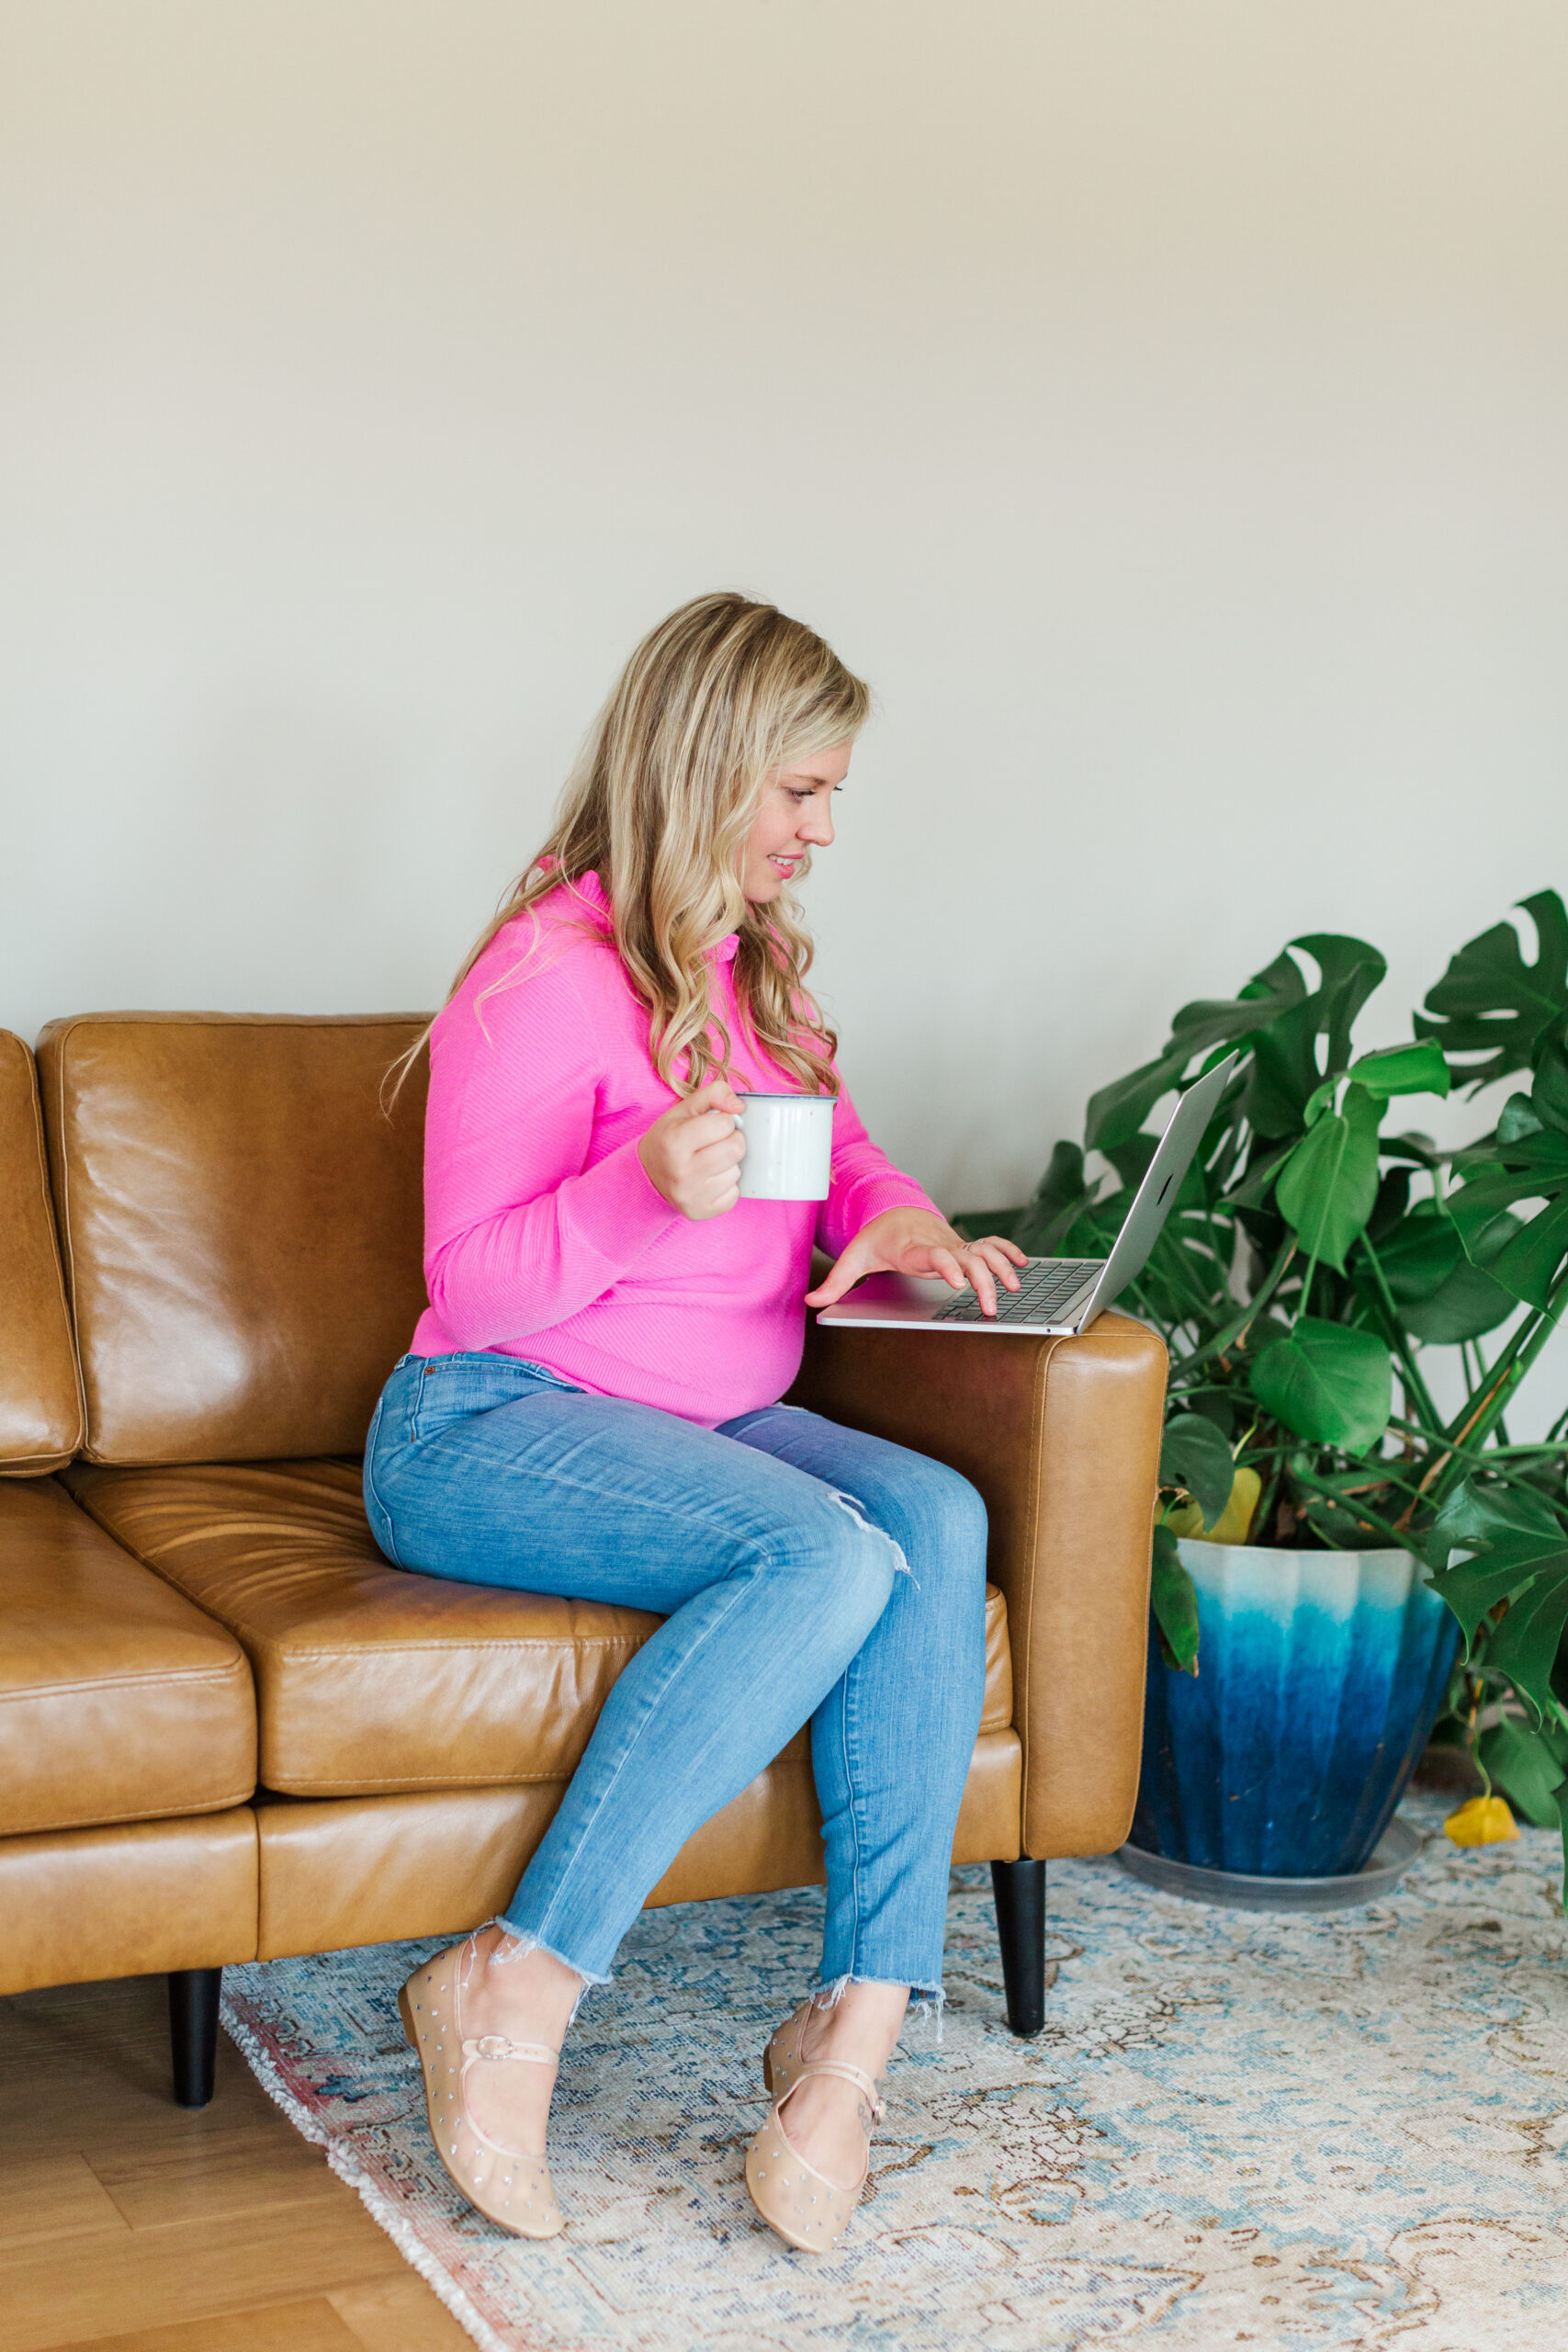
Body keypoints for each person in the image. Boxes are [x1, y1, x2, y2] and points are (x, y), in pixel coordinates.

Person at [363, 592, 1024, 2252]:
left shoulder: (752, 973)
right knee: (817, 1558)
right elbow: (474, 1279)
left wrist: (895, 1222)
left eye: (832, 796)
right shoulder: (543, 978)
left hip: (715, 1419)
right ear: (705, 769)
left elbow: (844, 1151)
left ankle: (852, 2032)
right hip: (485, 1417)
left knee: (935, 1517)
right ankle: (516, 1975)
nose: (820, 828)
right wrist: (633, 1196)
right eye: (797, 790)